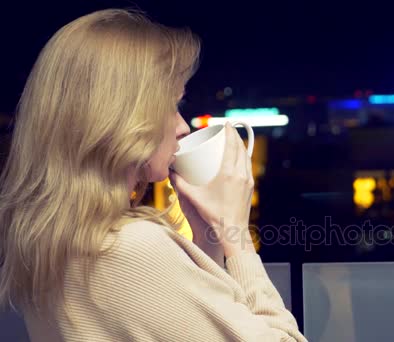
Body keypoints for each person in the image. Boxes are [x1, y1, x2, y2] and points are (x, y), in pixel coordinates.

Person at [0, 8, 307, 342]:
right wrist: (238, 236)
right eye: (171, 106)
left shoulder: (52, 242)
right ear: (122, 118)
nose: (181, 126)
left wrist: (208, 237)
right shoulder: (133, 250)